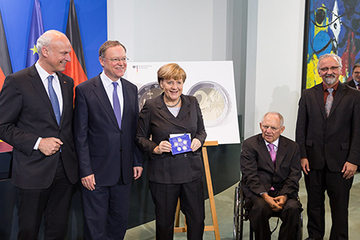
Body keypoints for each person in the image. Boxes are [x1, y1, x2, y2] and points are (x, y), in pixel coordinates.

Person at [0, 30, 78, 239]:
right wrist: (37, 142)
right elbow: (3, 125)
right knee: (28, 231)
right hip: (32, 173)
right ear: (45, 51)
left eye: (68, 53)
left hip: (65, 172)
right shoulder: (18, 81)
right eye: (63, 53)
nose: (68, 58)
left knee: (58, 231)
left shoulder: (67, 82)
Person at [73, 40, 143, 240]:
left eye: (123, 59)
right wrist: (85, 170)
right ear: (102, 61)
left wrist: (137, 161)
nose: (121, 63)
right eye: (115, 59)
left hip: (124, 172)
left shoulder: (131, 89)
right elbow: (80, 135)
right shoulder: (85, 89)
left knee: (119, 224)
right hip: (96, 174)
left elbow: (132, 129)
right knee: (95, 227)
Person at [136, 63, 207, 240]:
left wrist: (199, 139)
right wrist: (156, 148)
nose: (175, 87)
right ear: (161, 84)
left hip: (191, 172)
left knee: (197, 220)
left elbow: (201, 130)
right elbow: (139, 138)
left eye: (178, 82)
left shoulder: (192, 101)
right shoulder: (151, 106)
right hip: (163, 175)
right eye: (169, 82)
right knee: (164, 224)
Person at [296, 53, 360, 240]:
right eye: (324, 69)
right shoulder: (308, 95)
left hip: (342, 163)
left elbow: (358, 132)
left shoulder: (355, 97)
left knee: (340, 206)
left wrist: (353, 160)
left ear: (340, 70)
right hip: (313, 161)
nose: (328, 72)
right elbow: (301, 128)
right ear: (319, 72)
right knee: (314, 204)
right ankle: (315, 236)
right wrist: (302, 156)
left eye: (332, 68)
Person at [240, 112, 302, 240]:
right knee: (260, 209)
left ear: (281, 129)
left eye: (273, 128)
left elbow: (294, 175)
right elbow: (250, 175)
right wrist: (265, 196)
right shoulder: (250, 145)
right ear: (260, 126)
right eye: (265, 126)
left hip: (283, 192)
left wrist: (284, 195)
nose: (268, 131)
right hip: (259, 192)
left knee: (293, 208)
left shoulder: (293, 147)